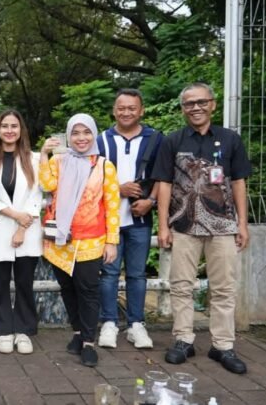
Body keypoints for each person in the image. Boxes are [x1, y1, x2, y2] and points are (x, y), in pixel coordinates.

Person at [152, 82, 251, 374]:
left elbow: (239, 183)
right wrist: (163, 226)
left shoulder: (231, 139)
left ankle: (223, 345)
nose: (195, 108)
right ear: (182, 108)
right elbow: (165, 184)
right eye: (188, 104)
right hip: (183, 226)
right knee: (181, 286)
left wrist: (242, 224)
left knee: (223, 287)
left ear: (213, 104)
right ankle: (183, 339)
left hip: (223, 226)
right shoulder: (172, 141)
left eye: (200, 102)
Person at [39, 113, 120, 367]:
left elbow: (112, 205)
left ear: (94, 134)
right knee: (67, 289)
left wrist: (112, 241)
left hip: (91, 239)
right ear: (69, 136)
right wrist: (44, 155)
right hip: (60, 239)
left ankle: (88, 342)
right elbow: (46, 184)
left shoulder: (104, 165)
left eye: (86, 132)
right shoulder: (59, 161)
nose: (81, 138)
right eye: (75, 133)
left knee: (88, 290)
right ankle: (77, 332)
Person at [96, 89, 164, 350]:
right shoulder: (101, 140)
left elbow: (163, 175)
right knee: (108, 274)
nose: (126, 112)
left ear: (141, 110)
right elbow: (91, 178)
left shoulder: (155, 139)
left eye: (131, 108)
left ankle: (137, 324)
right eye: (121, 108)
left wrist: (151, 201)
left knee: (137, 274)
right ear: (114, 110)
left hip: (140, 220)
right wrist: (117, 189)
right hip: (108, 221)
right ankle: (109, 322)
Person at [0, 110, 43, 355]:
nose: (9, 130)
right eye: (4, 126)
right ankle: (4, 330)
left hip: (28, 231)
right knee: (0, 284)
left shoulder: (35, 159)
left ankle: (24, 330)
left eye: (14, 126)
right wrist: (14, 215)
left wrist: (21, 226)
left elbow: (39, 194)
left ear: (21, 130)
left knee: (25, 283)